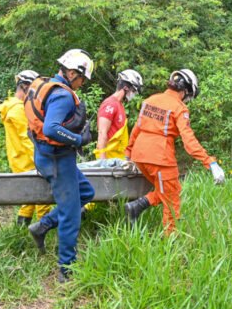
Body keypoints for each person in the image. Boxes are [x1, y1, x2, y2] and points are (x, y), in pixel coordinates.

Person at [124, 69, 225, 235]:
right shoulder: (179, 108)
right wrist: (210, 163)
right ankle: (170, 244)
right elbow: (189, 142)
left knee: (168, 190)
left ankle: (136, 206)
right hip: (160, 158)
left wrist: (128, 153)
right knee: (171, 200)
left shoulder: (150, 100)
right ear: (186, 90)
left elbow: (136, 129)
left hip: (139, 155)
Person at [25, 49, 95, 283]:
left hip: (47, 155)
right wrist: (78, 140)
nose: (82, 84)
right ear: (73, 72)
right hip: (57, 159)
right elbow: (51, 128)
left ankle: (43, 226)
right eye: (82, 79)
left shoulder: (45, 84)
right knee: (71, 214)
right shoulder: (63, 95)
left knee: (87, 192)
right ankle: (67, 269)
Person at [0, 70, 53, 227]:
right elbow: (27, 138)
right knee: (43, 196)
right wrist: (42, 159)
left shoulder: (14, 107)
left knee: (29, 200)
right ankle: (43, 231)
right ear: (23, 86)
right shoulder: (18, 110)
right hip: (28, 160)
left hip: (20, 160)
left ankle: (21, 232)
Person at [94, 69, 143, 162]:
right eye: (134, 91)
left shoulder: (119, 105)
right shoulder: (110, 104)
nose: (134, 95)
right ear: (126, 88)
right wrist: (102, 162)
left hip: (117, 159)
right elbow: (102, 132)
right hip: (108, 159)